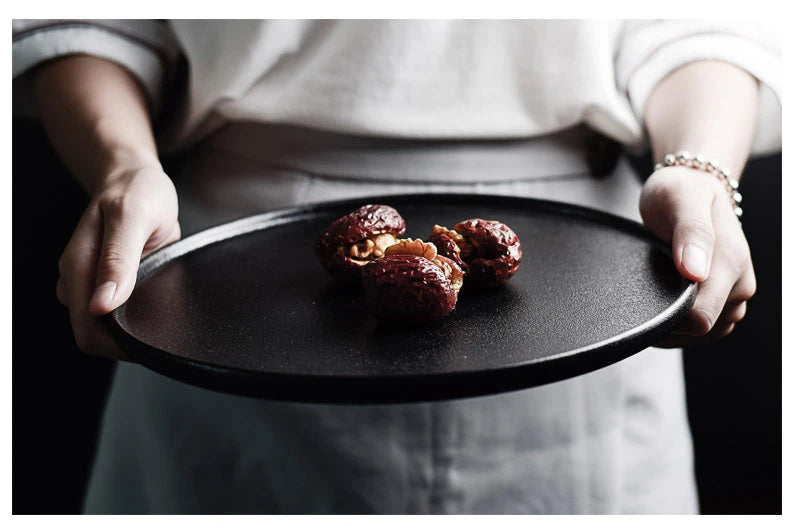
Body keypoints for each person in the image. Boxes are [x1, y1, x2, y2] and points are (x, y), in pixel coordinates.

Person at [13, 20, 781, 513]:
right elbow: (86, 18)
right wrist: (122, 170)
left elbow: (706, 22)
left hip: (590, 275)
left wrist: (701, 169)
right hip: (233, 265)